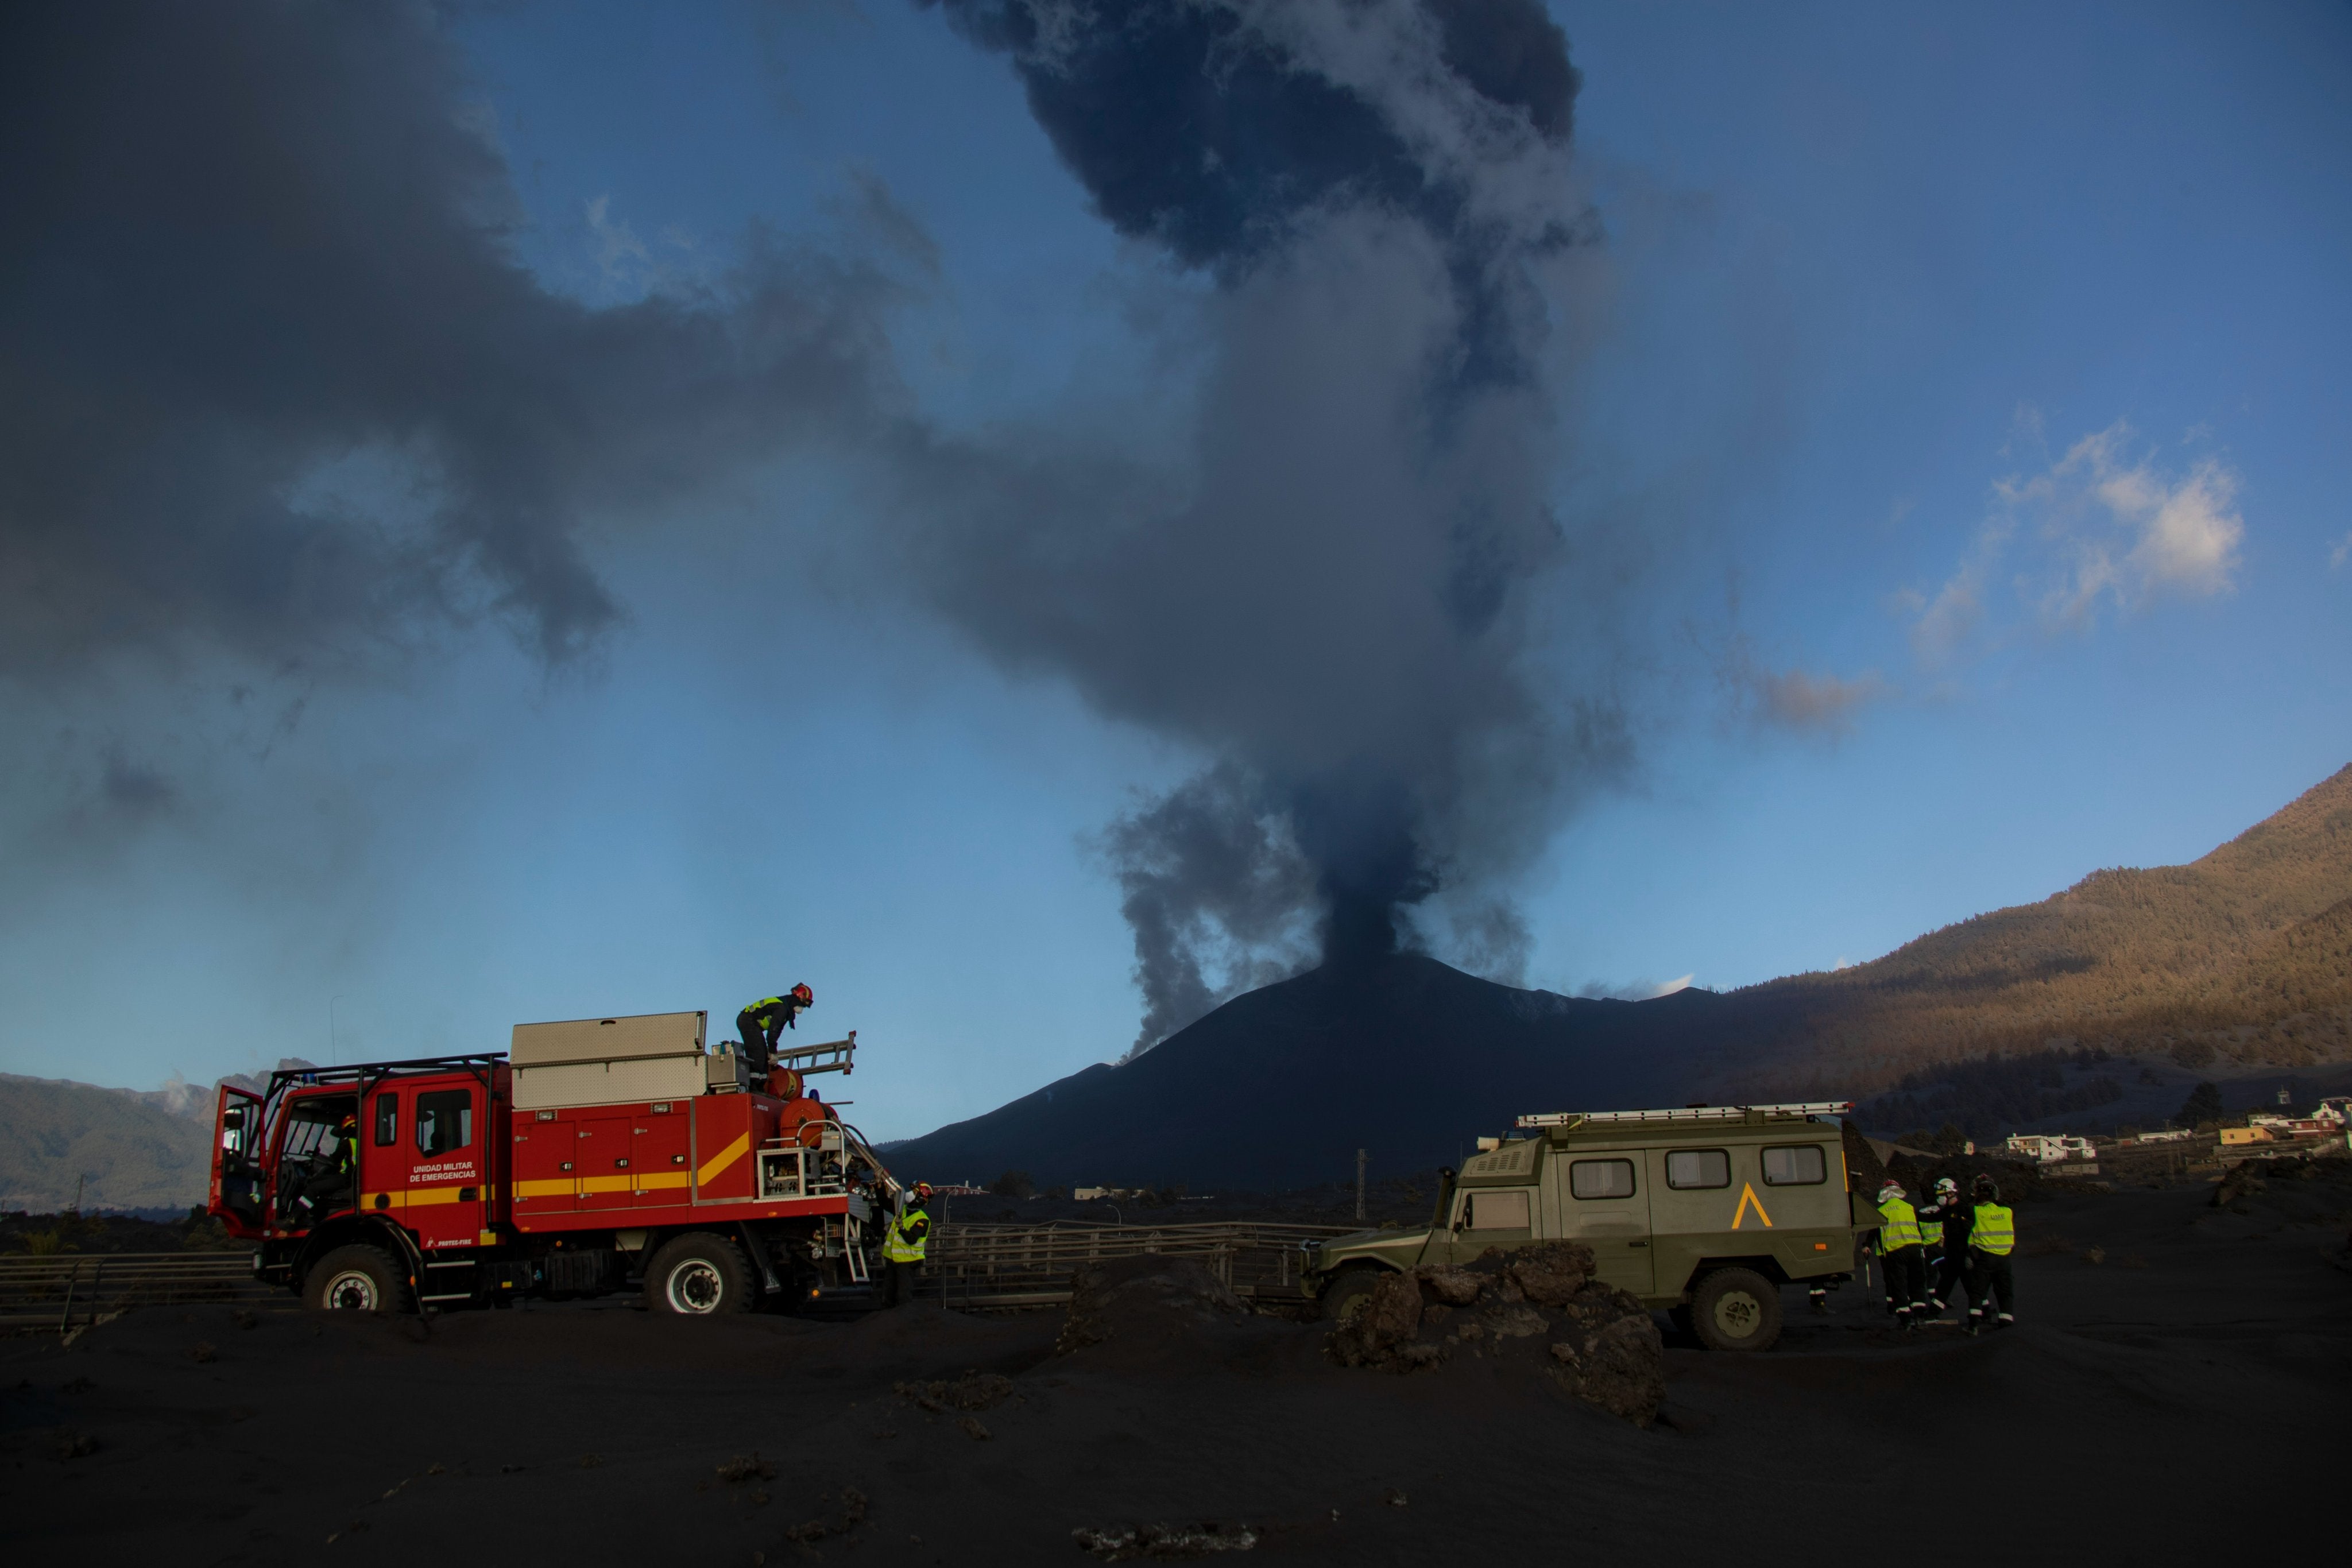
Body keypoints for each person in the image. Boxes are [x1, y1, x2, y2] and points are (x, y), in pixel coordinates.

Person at [1965, 1174, 2016, 1332]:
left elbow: (1967, 1203)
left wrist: (1974, 1185)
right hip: (2005, 1259)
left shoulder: (1976, 1212)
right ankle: (2006, 1322)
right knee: (2005, 1292)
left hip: (1985, 1258)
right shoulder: (2007, 1211)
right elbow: (1999, 1202)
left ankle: (1973, 1326)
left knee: (1978, 1292)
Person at [1923, 1176, 1975, 1317]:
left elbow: (1970, 1234)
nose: (1939, 1198)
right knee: (1946, 1287)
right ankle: (1933, 1313)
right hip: (1952, 1255)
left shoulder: (1964, 1210)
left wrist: (1970, 1255)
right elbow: (1932, 1218)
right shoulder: (1947, 1210)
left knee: (1967, 1287)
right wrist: (1913, 1214)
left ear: (1951, 1193)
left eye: (1941, 1195)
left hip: (1962, 1256)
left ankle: (1983, 1313)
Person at [1875, 1179, 1925, 1327]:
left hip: (1895, 1251)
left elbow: (1881, 1237)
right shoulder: (1909, 1207)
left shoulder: (1881, 1212)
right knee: (1917, 1283)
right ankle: (1920, 1317)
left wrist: (1884, 1255)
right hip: (1915, 1248)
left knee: (1899, 1285)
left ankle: (1905, 1320)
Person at [737, 985, 814, 1073]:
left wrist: (771, 1051)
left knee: (762, 1056)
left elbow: (777, 1032)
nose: (802, 1008)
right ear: (797, 999)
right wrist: (773, 1052)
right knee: (759, 1055)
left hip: (750, 1022)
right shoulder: (782, 1009)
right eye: (803, 1005)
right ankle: (754, 1084)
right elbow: (772, 1033)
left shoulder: (786, 1010)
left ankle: (759, 1082)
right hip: (748, 1020)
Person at [879, 1183, 933, 1308]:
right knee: (888, 1295)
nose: (909, 1195)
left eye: (914, 1193)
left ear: (921, 1198)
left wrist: (901, 1228)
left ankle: (904, 1322)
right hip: (893, 1260)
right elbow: (883, 1202)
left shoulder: (922, 1220)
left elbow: (912, 1239)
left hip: (907, 1262)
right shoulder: (901, 1210)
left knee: (904, 1296)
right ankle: (888, 1321)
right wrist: (879, 1185)